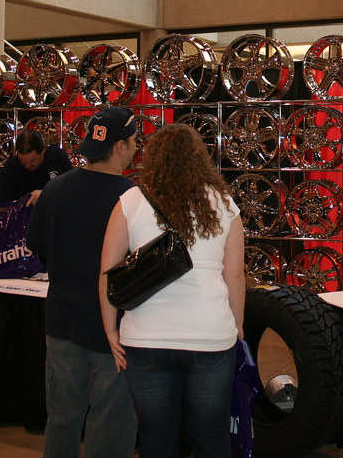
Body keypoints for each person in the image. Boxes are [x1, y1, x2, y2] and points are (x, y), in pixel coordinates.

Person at [99, 123, 245, 458]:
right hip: (209, 335)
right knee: (211, 436)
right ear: (200, 157)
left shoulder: (130, 201)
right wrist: (237, 325)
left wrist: (110, 329)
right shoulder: (224, 204)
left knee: (156, 437)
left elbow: (108, 272)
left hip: (145, 338)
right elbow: (234, 276)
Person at [27, 107, 140, 457]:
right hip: (114, 327)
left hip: (62, 320)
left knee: (62, 417)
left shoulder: (54, 188)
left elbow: (37, 247)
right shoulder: (131, 198)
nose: (137, 148)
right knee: (111, 420)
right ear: (120, 146)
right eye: (135, 141)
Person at [0, 129, 73, 205]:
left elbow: (71, 188)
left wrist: (46, 194)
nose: (27, 166)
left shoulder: (57, 157)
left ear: (43, 150)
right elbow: (0, 202)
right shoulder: (12, 166)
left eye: (32, 161)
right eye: (23, 162)